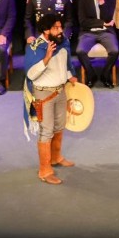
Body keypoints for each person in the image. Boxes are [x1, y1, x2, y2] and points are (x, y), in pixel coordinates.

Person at [23, 14, 78, 185]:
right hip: (43, 95)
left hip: (60, 91)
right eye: (56, 28)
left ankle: (55, 157)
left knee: (60, 125)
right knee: (46, 131)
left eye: (60, 27)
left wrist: (70, 76)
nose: (60, 30)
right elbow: (31, 74)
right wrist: (46, 57)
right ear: (46, 30)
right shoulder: (35, 47)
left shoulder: (63, 42)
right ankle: (44, 170)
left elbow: (66, 64)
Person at [75, 0, 119, 88]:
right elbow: (83, 21)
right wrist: (102, 23)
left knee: (114, 51)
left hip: (106, 32)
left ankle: (105, 75)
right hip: (88, 32)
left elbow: (108, 17)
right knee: (80, 51)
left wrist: (101, 2)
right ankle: (91, 75)